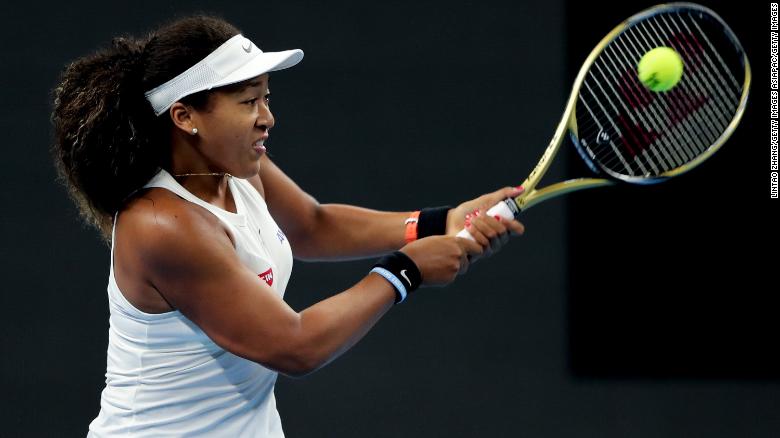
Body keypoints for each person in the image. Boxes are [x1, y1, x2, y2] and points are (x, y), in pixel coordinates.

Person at [52, 15, 526, 437]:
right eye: (247, 102)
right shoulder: (162, 225)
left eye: (266, 98)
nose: (267, 119)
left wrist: (442, 222)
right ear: (185, 117)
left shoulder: (235, 168)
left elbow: (312, 226)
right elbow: (296, 346)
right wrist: (406, 271)